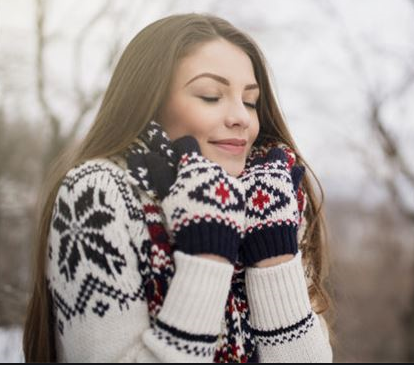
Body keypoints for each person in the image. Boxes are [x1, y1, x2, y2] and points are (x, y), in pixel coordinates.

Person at [23, 13, 334, 362]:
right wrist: (206, 260)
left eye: (249, 101)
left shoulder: (273, 196)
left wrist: (274, 260)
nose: (241, 117)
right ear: (150, 102)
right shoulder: (97, 193)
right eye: (210, 96)